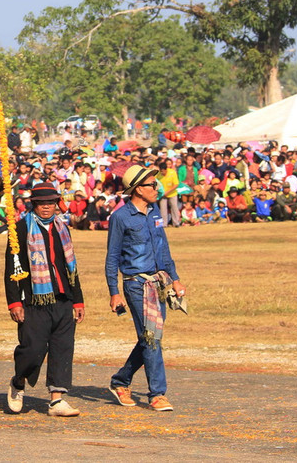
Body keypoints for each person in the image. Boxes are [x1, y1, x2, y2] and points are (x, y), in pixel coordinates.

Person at [105, 165, 186, 412]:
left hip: (158, 283)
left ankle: (121, 381)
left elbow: (164, 249)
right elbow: (112, 257)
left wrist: (175, 278)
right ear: (138, 189)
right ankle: (157, 394)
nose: (157, 187)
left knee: (150, 337)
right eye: (152, 184)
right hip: (136, 285)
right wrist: (114, 292)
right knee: (151, 339)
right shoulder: (120, 217)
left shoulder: (154, 214)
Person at [4, 183, 85, 418]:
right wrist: (14, 303)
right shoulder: (19, 230)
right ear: (34, 205)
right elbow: (12, 267)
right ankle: (18, 383)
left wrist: (77, 301)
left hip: (62, 298)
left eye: (50, 202)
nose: (46, 207)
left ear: (56, 204)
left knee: (62, 349)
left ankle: (56, 400)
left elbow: (72, 268)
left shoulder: (63, 229)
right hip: (33, 300)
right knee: (33, 349)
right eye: (41, 203)